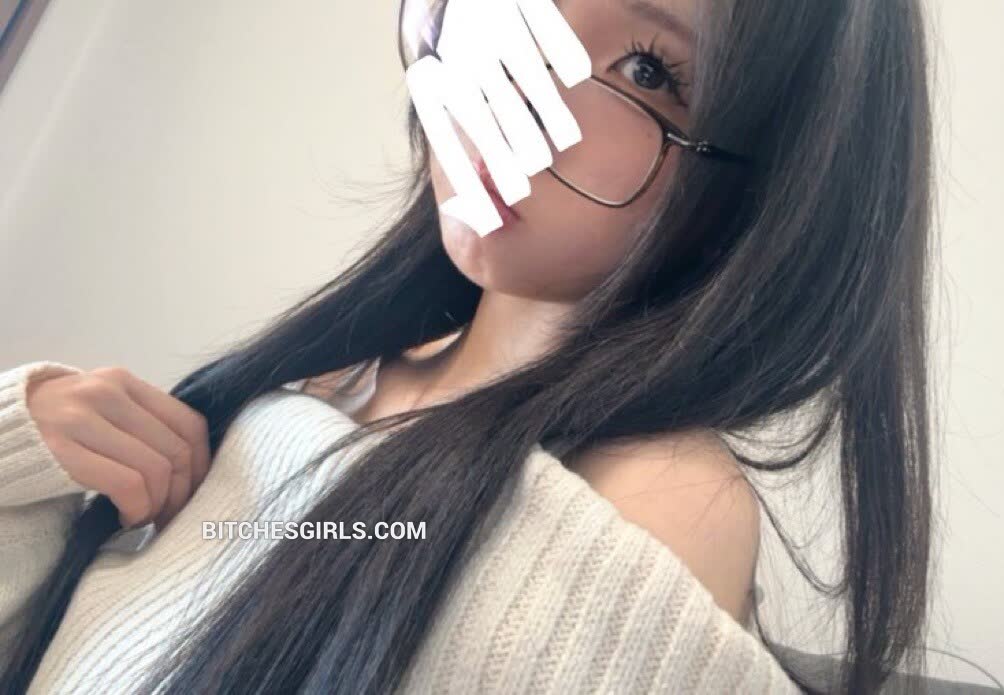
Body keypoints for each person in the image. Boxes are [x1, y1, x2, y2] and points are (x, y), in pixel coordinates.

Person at [0, 0, 936, 692]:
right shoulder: (323, 383)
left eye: (647, 69)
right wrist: (19, 452)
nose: (519, 92)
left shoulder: (650, 491)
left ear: (772, 188)